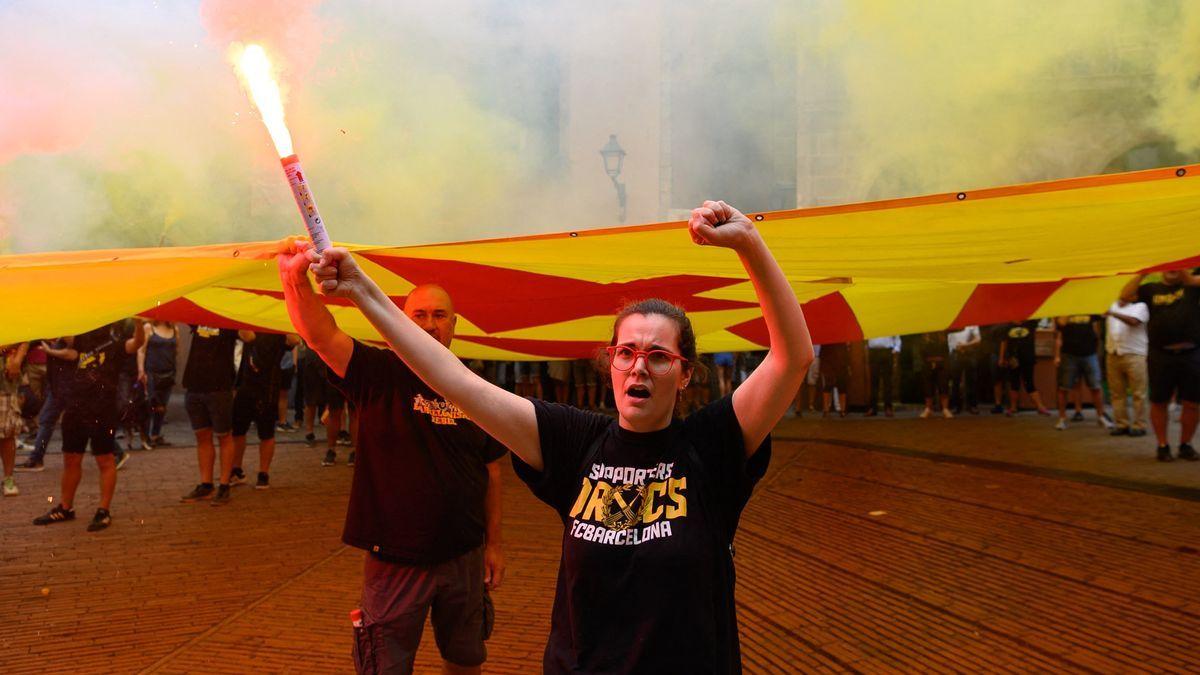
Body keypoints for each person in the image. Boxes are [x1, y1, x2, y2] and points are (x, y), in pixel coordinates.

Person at [291, 199, 813, 673]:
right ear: (609, 363)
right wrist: (362, 291)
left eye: (658, 356)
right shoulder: (575, 442)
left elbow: (793, 355)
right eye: (626, 353)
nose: (639, 368)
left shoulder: (711, 445)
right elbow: (455, 380)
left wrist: (748, 242)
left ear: (685, 373)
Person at [280, 261, 508, 675]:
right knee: (385, 666)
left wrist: (492, 545)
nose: (429, 324)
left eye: (439, 315)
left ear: (454, 324)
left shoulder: (475, 387)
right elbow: (320, 334)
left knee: (466, 659)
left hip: (465, 557)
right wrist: (293, 279)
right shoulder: (378, 373)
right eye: (418, 315)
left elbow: (492, 471)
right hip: (396, 561)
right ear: (401, 322)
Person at [33, 320, 146, 530]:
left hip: (102, 411)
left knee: (105, 460)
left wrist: (140, 322)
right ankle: (65, 507)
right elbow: (63, 333)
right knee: (71, 459)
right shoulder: (79, 345)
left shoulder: (115, 346)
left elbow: (137, 342)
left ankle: (103, 511)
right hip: (76, 410)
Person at [1120, 269, 1200, 461]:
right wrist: (1142, 273)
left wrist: (1182, 270)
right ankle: (1162, 445)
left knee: (1192, 403)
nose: (1172, 269)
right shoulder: (1151, 289)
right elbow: (1125, 295)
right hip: (1160, 355)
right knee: (1159, 401)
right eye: (1169, 265)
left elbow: (1193, 280)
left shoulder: (1192, 286)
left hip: (1192, 354)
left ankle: (1185, 444)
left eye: (1177, 265)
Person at [180, 324, 253, 505]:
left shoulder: (227, 317)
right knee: (202, 436)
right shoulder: (200, 315)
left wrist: (233, 313)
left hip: (219, 387)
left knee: (224, 436)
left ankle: (224, 485)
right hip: (194, 384)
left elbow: (249, 336)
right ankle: (206, 485)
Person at [17, 338, 74, 472]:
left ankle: (36, 459)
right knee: (86, 419)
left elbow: (72, 352)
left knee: (47, 419)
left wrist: (50, 350)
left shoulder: (69, 331)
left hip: (64, 385)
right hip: (59, 385)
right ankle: (36, 458)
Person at [1053, 315, 1110, 431]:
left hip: (1089, 353)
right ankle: (1062, 418)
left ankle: (1101, 416)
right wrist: (1057, 356)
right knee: (1063, 387)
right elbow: (1060, 329)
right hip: (1068, 354)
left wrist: (1096, 349)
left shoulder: (1090, 309)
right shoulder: (1063, 310)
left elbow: (1097, 328)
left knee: (1096, 386)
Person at [1105, 297, 1150, 437]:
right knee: (1117, 393)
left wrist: (1112, 313)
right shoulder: (1111, 304)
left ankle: (1140, 425)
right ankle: (1121, 424)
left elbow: (1134, 322)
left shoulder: (1141, 306)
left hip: (1135, 354)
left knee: (1138, 393)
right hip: (1113, 353)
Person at [138, 320, 179, 446]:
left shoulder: (175, 328)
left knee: (162, 407)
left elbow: (177, 350)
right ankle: (145, 438)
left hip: (168, 372)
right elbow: (141, 350)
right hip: (151, 372)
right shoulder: (148, 327)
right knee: (149, 404)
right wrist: (141, 370)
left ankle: (155, 435)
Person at [999, 320, 1051, 416]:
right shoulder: (1007, 325)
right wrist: (1002, 358)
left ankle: (1040, 407)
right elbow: (1004, 342)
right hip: (1013, 359)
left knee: (1029, 382)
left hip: (1028, 358)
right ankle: (1013, 408)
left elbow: (1040, 317)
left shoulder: (1031, 323)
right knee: (1014, 383)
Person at [1, 343, 27, 496]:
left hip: (5, 378)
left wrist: (17, 359)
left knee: (8, 431)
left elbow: (25, 337)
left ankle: (8, 478)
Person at [919, 331, 953, 419]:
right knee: (928, 387)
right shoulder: (924, 336)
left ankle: (945, 409)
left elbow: (948, 351)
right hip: (927, 364)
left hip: (942, 364)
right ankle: (928, 409)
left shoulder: (944, 336)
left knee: (943, 385)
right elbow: (921, 351)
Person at [947, 326, 981, 414]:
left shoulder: (972, 324)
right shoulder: (953, 324)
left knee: (972, 380)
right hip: (955, 354)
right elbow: (948, 341)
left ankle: (972, 406)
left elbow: (978, 339)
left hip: (969, 353)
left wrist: (965, 345)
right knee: (955, 381)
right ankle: (955, 406)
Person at [865, 336, 900, 417]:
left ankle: (888, 408)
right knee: (873, 381)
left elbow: (896, 336)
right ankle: (873, 408)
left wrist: (896, 348)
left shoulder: (889, 323)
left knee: (887, 381)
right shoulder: (870, 323)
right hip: (873, 351)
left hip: (887, 351)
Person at [819, 342, 850, 417]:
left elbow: (846, 353)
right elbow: (822, 354)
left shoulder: (841, 341)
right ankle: (827, 410)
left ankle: (841, 410)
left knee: (841, 386)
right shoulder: (827, 341)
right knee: (828, 386)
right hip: (830, 364)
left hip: (840, 364)